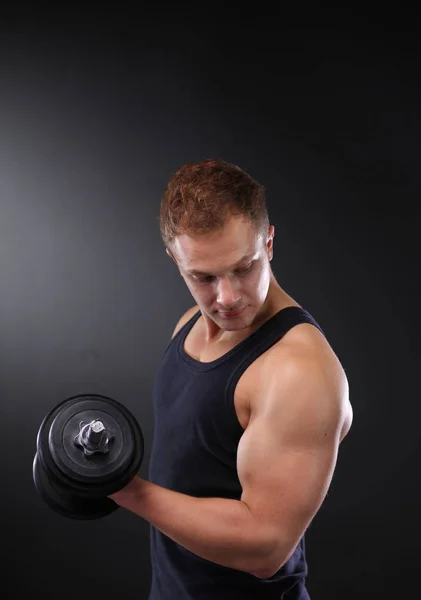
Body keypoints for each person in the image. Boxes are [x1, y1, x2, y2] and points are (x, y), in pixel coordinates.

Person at [109, 158, 353, 599]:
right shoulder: (188, 324)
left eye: (245, 267)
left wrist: (123, 489)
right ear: (175, 259)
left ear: (270, 242)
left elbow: (266, 548)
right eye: (203, 277)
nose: (227, 298)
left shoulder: (298, 370)